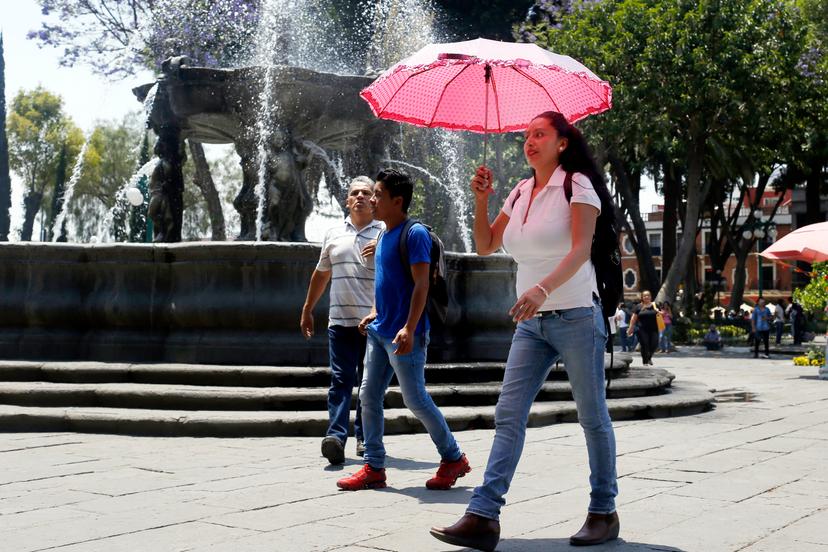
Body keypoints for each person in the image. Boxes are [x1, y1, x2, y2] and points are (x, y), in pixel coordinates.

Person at [430, 111, 619, 551]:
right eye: (525, 136)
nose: (529, 142)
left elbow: (579, 252)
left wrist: (541, 288)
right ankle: (482, 516)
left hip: (575, 314)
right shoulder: (519, 191)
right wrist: (481, 199)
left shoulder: (577, 186)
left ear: (563, 143)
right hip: (530, 323)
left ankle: (603, 511)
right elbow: (486, 244)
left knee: (592, 418)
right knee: (508, 415)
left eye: (540, 134)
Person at [336, 168, 469, 492]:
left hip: (405, 336)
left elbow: (421, 284)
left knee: (416, 399)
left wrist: (409, 328)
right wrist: (374, 312)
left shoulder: (415, 234)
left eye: (378, 195)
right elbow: (388, 285)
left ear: (397, 201)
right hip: (381, 332)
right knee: (368, 396)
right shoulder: (383, 235)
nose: (372, 199)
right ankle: (375, 467)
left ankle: (453, 457)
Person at [301, 176, 383, 465]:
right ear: (347, 200)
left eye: (366, 193)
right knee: (340, 379)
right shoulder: (334, 232)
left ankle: (364, 437)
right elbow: (322, 272)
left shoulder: (385, 231)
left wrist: (384, 249)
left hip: (374, 323)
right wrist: (308, 307)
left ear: (375, 199)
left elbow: (401, 274)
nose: (360, 196)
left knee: (368, 383)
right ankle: (335, 436)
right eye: (354, 193)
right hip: (339, 321)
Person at [627, 291, 660, 365]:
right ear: (642, 297)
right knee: (644, 344)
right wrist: (630, 328)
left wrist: (659, 312)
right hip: (642, 329)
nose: (646, 297)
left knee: (654, 344)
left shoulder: (655, 305)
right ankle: (645, 361)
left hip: (654, 329)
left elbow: (662, 316)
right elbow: (633, 318)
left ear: (651, 297)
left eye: (648, 295)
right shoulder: (638, 306)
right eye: (645, 296)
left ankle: (649, 357)